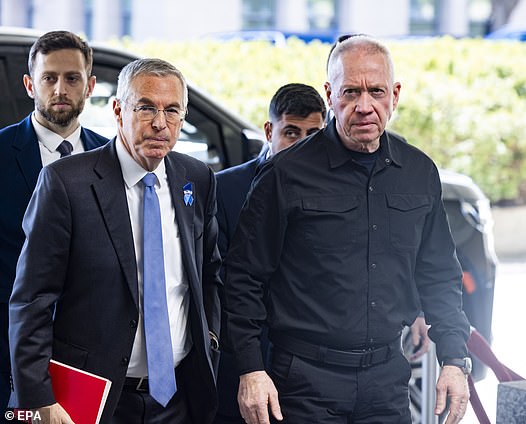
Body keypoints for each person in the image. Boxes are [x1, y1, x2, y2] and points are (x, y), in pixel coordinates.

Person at [224, 35, 471, 424]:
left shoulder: (419, 172)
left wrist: (456, 360)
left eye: (376, 91)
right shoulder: (284, 175)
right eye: (350, 92)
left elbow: (439, 275)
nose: (364, 106)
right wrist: (251, 369)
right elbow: (243, 278)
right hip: (304, 382)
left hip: (387, 377)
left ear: (395, 94)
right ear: (329, 94)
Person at [9, 58, 222, 423]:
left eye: (172, 111)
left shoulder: (196, 178)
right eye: (146, 107)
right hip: (91, 402)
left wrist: (210, 339)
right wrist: (37, 397)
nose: (160, 123)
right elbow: (32, 300)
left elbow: (210, 273)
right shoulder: (65, 183)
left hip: (177, 400)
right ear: (118, 110)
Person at [0, 30, 108, 415]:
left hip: (91, 359)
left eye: (72, 78)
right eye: (49, 78)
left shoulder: (110, 157)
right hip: (10, 350)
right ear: (30, 85)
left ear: (90, 85)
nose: (60, 88)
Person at [214, 83, 326, 424]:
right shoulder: (223, 188)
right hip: (244, 361)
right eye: (291, 132)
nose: (303, 144)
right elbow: (217, 282)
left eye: (313, 133)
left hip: (313, 369)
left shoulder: (338, 189)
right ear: (269, 131)